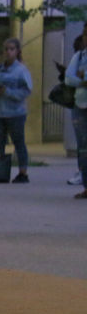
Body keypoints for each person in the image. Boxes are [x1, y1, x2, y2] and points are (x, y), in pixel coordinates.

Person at [0, 38, 32, 183]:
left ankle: (23, 173)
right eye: (6, 49)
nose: (8, 52)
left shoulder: (21, 70)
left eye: (11, 49)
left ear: (17, 51)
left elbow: (26, 91)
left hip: (15, 113)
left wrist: (8, 92)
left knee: (18, 142)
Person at [64, 40, 87, 199]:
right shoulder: (79, 57)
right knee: (83, 148)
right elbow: (69, 79)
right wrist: (82, 80)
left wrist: (83, 75)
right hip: (81, 104)